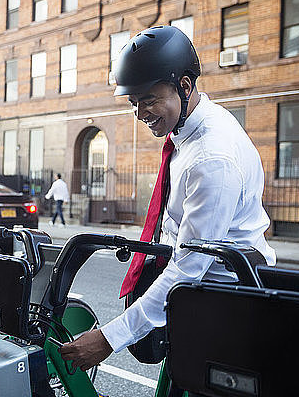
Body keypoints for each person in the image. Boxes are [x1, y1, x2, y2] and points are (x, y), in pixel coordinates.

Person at [59, 26, 276, 373]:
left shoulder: (212, 158)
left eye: (149, 99)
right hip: (198, 288)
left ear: (185, 86)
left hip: (222, 300)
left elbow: (190, 268)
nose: (141, 113)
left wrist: (109, 338)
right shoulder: (188, 133)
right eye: (134, 103)